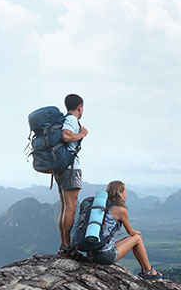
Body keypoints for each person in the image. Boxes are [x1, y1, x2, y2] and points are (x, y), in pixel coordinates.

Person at [89, 180, 162, 280]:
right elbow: (131, 232)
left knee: (131, 238)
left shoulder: (100, 207)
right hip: (106, 256)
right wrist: (139, 233)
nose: (126, 194)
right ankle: (149, 271)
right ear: (120, 193)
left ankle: (145, 270)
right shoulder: (120, 210)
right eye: (125, 191)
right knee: (137, 238)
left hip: (95, 252)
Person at [57, 94, 88, 260]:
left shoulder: (65, 119)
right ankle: (67, 247)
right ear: (80, 107)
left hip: (62, 169)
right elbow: (66, 136)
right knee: (71, 207)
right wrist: (82, 134)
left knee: (65, 207)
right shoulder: (71, 120)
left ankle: (64, 245)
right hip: (70, 168)